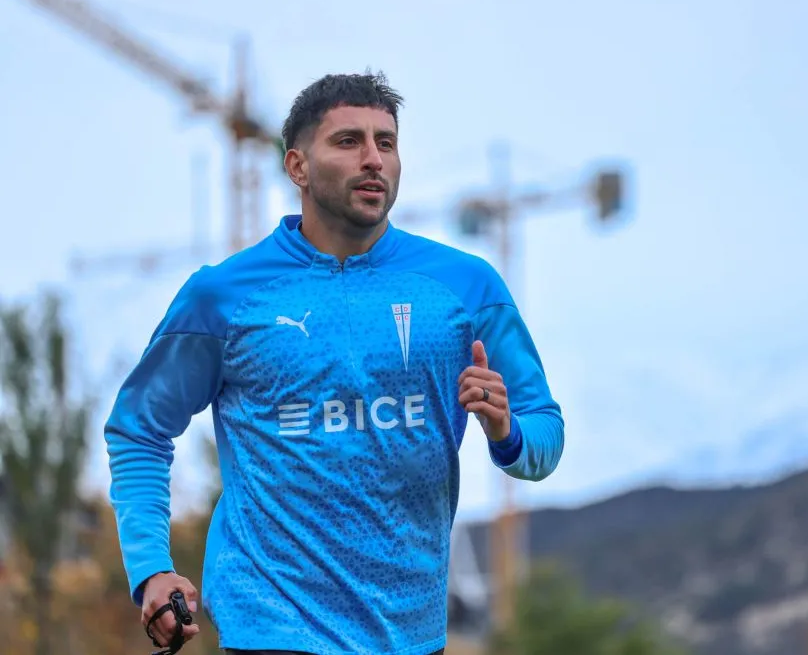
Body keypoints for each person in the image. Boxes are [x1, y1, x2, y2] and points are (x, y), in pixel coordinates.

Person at [104, 71, 565, 655]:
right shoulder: (223, 295)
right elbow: (139, 429)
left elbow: (544, 438)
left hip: (412, 637)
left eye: (386, 143)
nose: (373, 159)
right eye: (349, 141)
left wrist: (507, 430)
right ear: (297, 167)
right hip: (269, 627)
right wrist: (151, 567)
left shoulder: (466, 286)